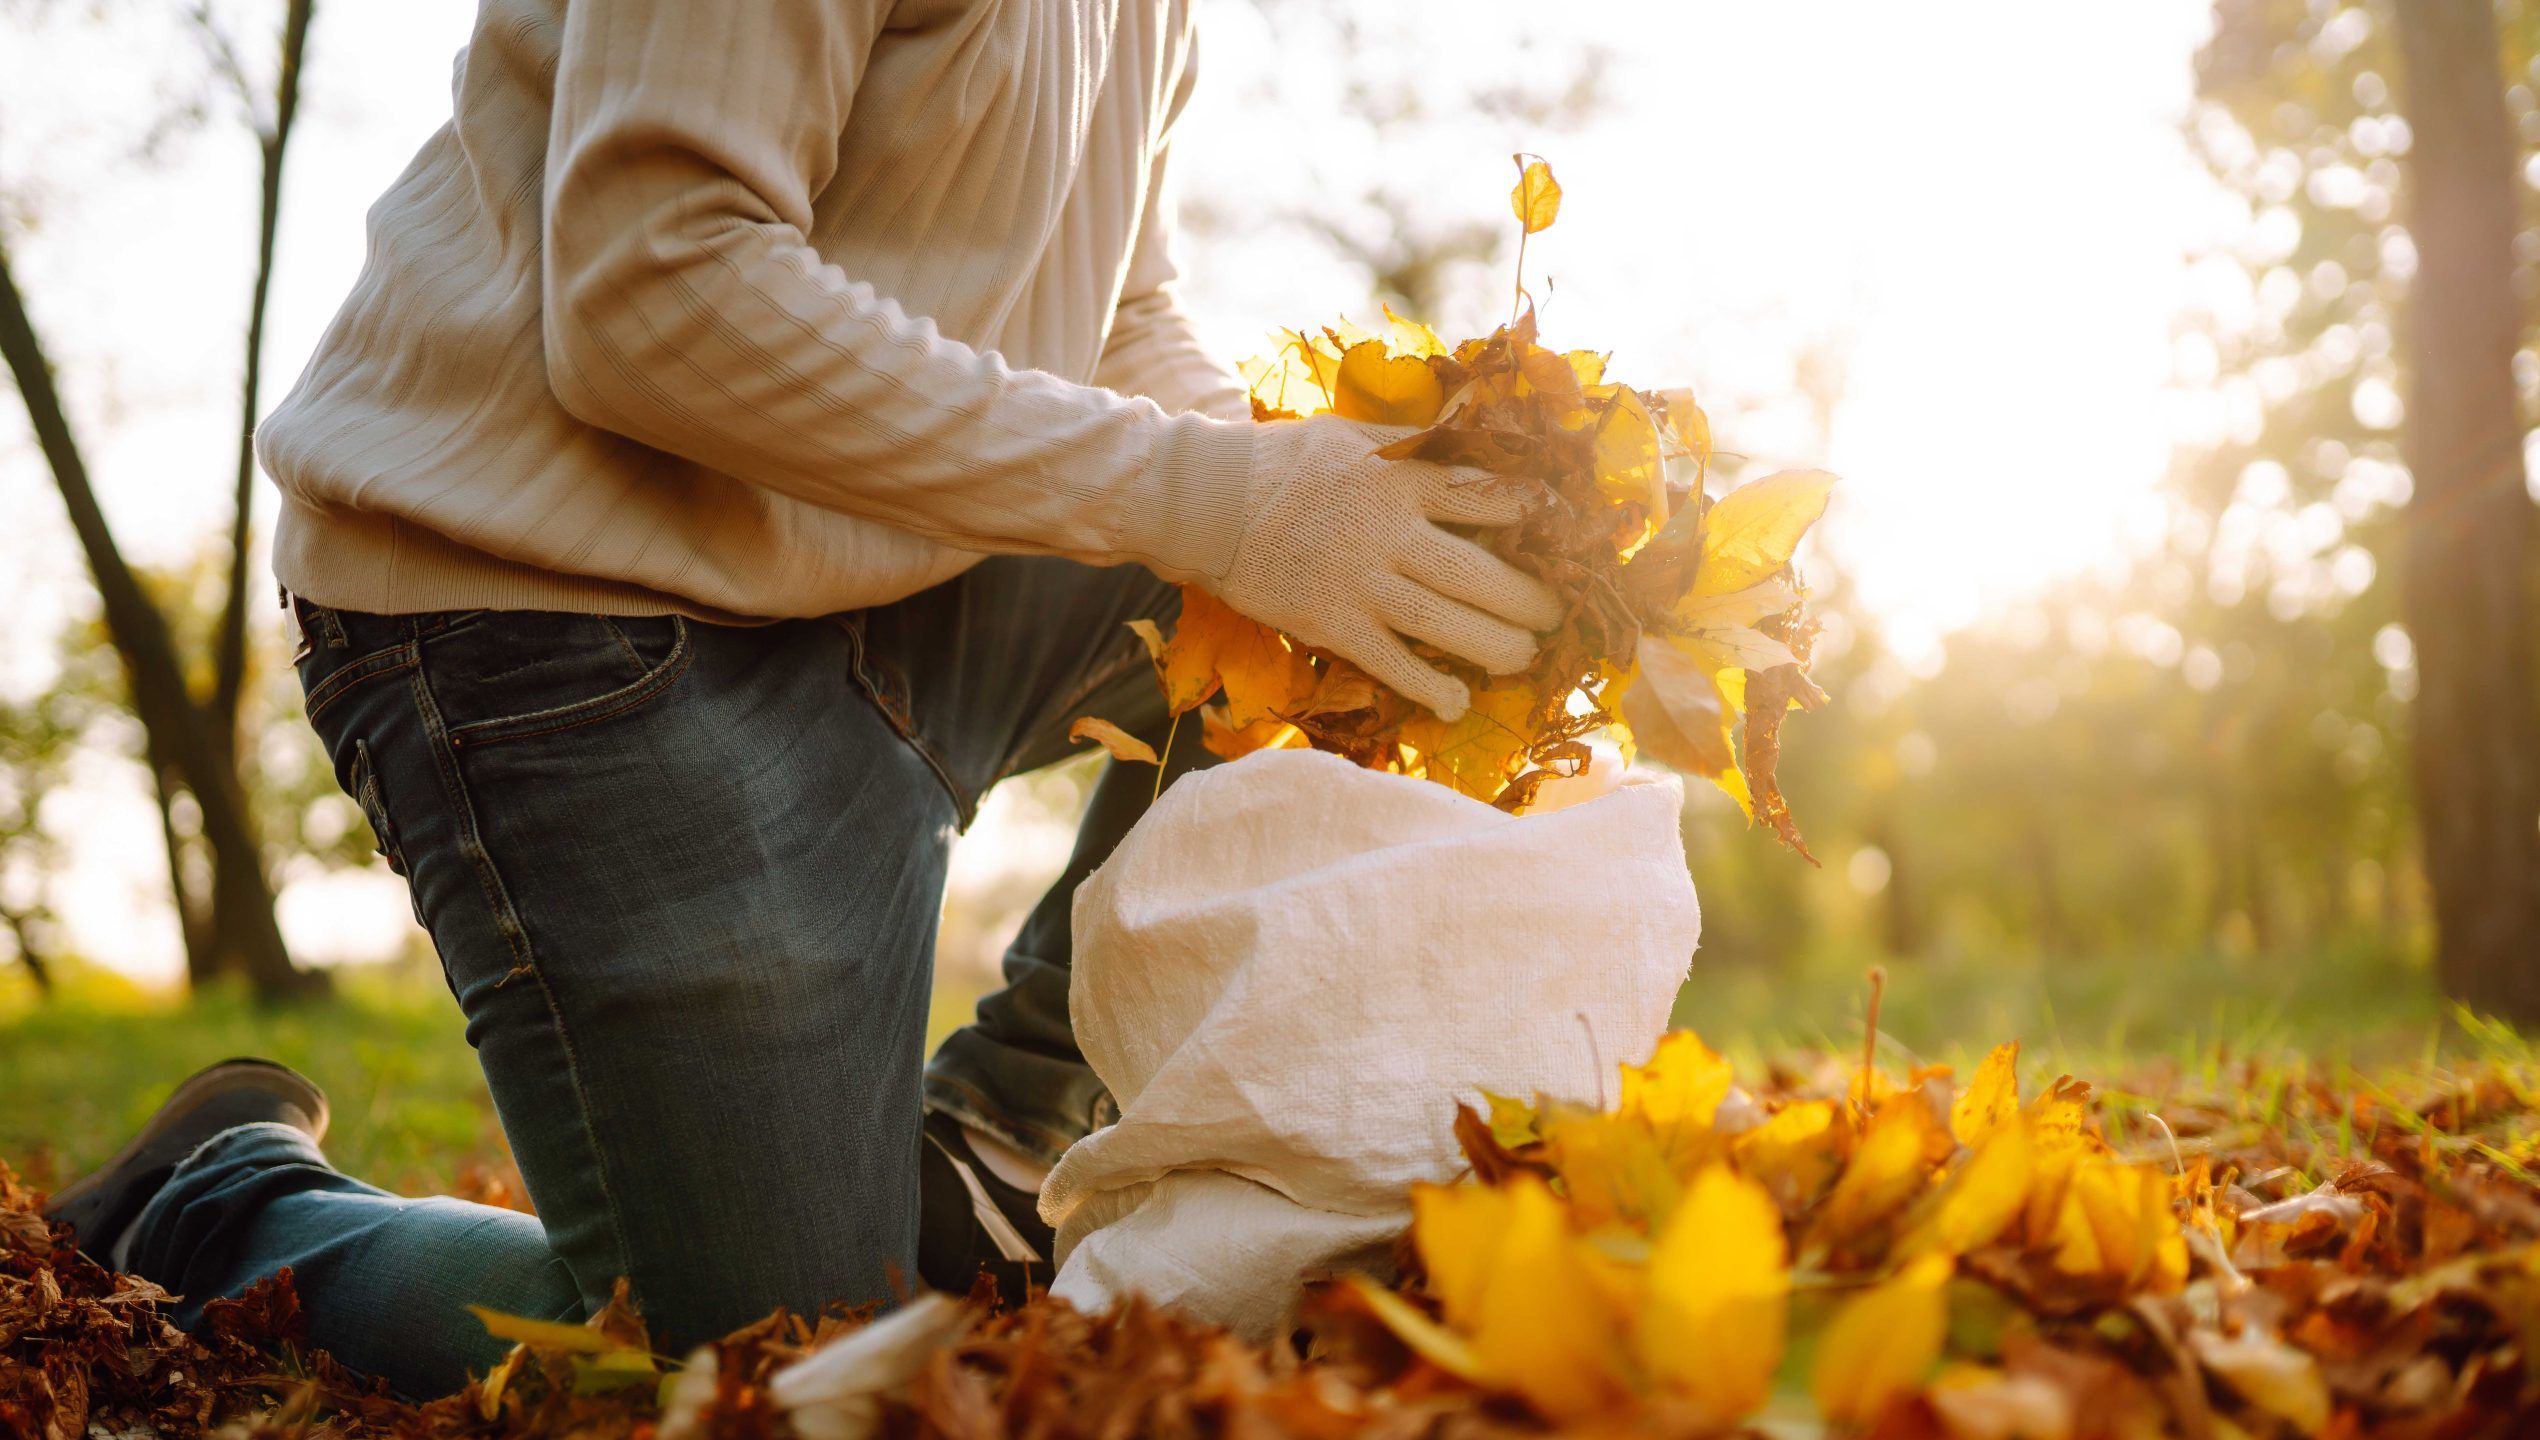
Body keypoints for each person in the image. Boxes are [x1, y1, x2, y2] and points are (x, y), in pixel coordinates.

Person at [46, 0, 1559, 1400]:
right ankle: (229, 1197)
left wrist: (1281, 511)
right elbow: (654, 280)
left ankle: (991, 1137)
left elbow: (1117, 312)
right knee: (795, 1377)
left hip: (871, 574)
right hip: (560, 621)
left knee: (1324, 635)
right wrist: (1208, 496)